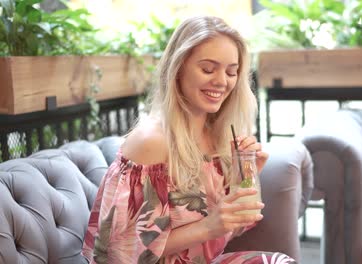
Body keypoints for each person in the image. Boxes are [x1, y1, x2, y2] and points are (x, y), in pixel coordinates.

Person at [82, 15, 297, 264]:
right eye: (208, 69)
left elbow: (226, 233)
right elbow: (117, 251)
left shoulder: (217, 137)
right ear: (178, 68)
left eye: (231, 72)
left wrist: (244, 180)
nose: (221, 81)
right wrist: (210, 225)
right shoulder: (152, 142)